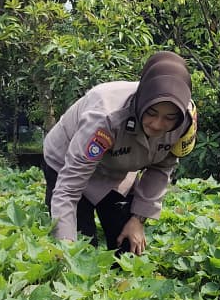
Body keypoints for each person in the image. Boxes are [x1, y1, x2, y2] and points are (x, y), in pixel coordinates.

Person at [42, 51, 196, 255]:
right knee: (82, 251)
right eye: (151, 113)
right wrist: (66, 246)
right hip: (67, 162)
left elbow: (161, 168)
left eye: (169, 118)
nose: (158, 125)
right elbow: (68, 188)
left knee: (129, 249)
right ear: (142, 102)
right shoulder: (105, 116)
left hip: (118, 168)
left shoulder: (185, 122)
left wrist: (138, 219)